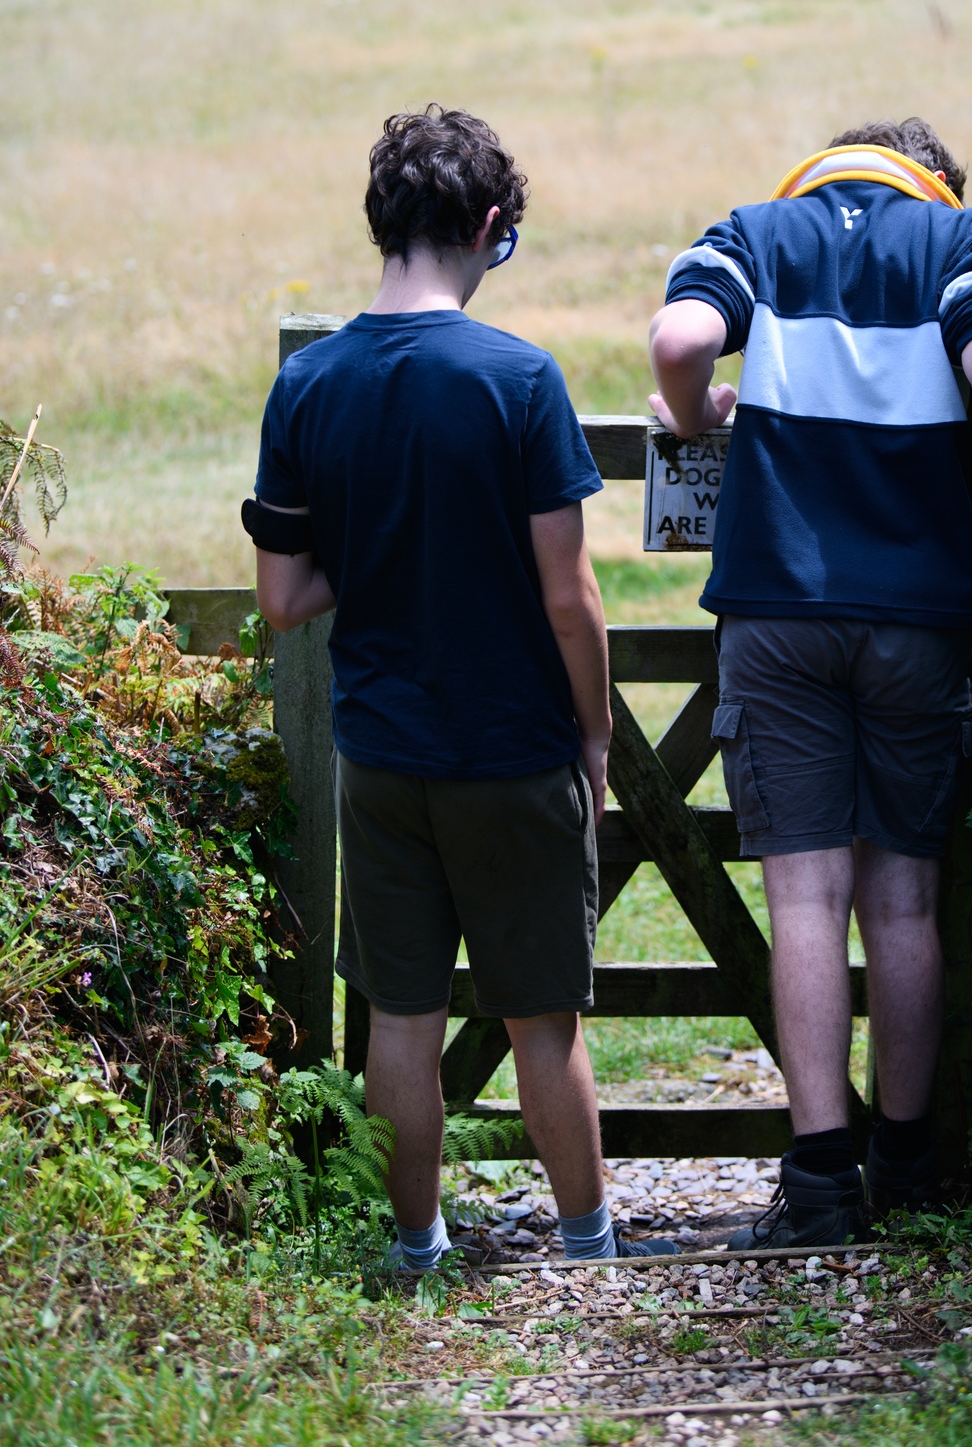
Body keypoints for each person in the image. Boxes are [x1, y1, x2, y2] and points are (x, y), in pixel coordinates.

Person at [245, 105, 675, 1271]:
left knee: (401, 1015)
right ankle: (586, 1242)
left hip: (382, 753)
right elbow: (569, 595)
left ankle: (415, 1247)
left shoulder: (309, 384)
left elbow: (282, 596)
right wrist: (594, 733)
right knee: (541, 1016)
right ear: (488, 225)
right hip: (511, 746)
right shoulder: (517, 379)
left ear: (382, 222)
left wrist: (380, 545)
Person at [648, 118, 972, 1247]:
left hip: (778, 605)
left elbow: (680, 337)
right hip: (917, 614)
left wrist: (697, 414)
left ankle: (822, 1185)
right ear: (935, 181)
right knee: (903, 900)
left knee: (805, 901)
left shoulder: (757, 233)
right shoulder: (960, 238)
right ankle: (907, 1166)